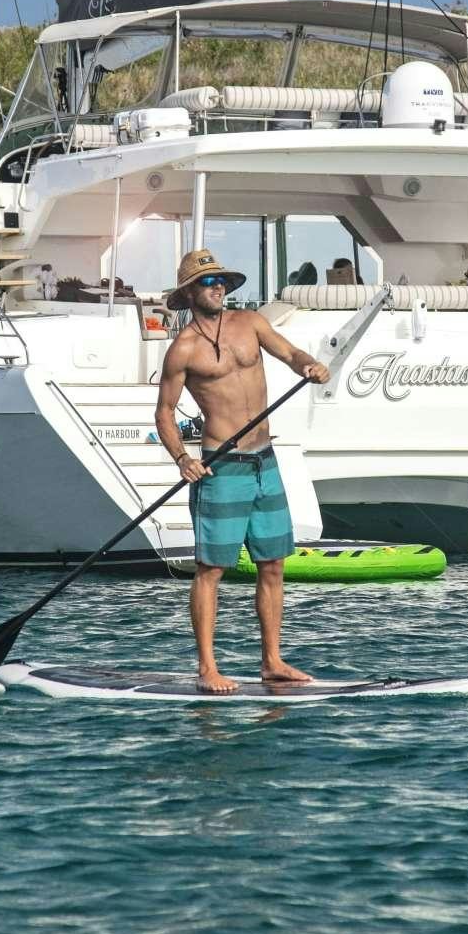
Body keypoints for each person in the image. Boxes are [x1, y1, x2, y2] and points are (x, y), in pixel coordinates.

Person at [154, 250, 330, 693]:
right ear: (190, 293)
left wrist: (309, 364)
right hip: (221, 467)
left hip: (263, 461)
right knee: (211, 569)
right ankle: (208, 668)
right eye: (208, 281)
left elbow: (290, 352)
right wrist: (183, 458)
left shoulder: (250, 323)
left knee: (273, 564)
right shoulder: (184, 348)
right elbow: (165, 412)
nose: (217, 286)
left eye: (221, 280)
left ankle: (272, 661)